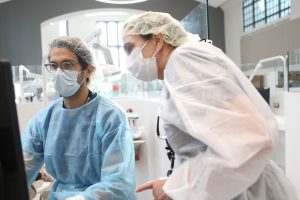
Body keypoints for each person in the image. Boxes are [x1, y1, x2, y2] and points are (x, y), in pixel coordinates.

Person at [122, 11, 298, 200]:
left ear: (158, 40)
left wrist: (175, 187)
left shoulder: (184, 60)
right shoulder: (183, 63)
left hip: (248, 191)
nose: (129, 59)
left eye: (130, 48)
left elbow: (249, 140)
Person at [21, 36, 136, 200]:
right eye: (53, 66)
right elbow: (21, 167)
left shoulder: (111, 117)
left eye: (67, 65)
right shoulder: (44, 119)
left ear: (87, 70)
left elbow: (119, 183)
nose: (59, 72)